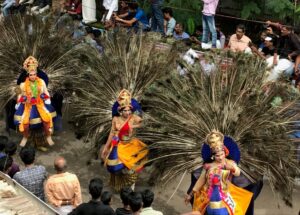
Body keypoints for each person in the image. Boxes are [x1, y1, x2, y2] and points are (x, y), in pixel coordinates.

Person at [184, 131, 252, 215]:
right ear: (213, 156)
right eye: (217, 155)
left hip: (225, 194)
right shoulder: (208, 166)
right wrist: (190, 194)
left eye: (222, 154)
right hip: (206, 195)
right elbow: (201, 180)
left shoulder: (229, 163)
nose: (220, 157)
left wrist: (233, 169)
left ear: (225, 153)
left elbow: (237, 172)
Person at [101, 89, 148, 191]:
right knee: (113, 166)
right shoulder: (115, 119)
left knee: (132, 168)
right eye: (125, 110)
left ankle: (131, 186)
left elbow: (144, 123)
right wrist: (106, 147)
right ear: (120, 111)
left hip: (130, 145)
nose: (127, 112)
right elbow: (111, 133)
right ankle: (118, 183)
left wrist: (134, 126)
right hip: (118, 144)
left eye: (129, 110)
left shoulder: (133, 117)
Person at [14, 56, 56, 147]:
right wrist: (18, 103)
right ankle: (25, 137)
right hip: (28, 106)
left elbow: (46, 91)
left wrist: (47, 99)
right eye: (30, 74)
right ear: (28, 75)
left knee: (47, 118)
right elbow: (20, 94)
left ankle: (48, 136)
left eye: (34, 74)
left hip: (40, 103)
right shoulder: (23, 84)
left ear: (36, 74)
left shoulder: (42, 82)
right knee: (24, 122)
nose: (32, 76)